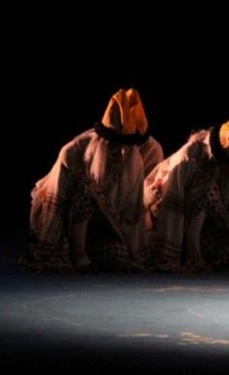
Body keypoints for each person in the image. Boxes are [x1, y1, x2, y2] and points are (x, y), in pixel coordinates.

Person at [21, 88, 164, 272]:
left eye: (127, 148)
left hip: (104, 225)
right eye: (115, 147)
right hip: (63, 221)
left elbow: (133, 211)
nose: (121, 153)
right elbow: (55, 203)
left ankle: (91, 252)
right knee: (83, 190)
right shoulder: (73, 152)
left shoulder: (140, 155)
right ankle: (79, 257)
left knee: (118, 254)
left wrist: (138, 252)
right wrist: (50, 246)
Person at [144, 115, 229, 272]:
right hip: (166, 221)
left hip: (204, 226)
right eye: (227, 164)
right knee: (206, 186)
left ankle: (196, 257)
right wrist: (169, 258)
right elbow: (172, 208)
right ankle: (190, 255)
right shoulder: (189, 158)